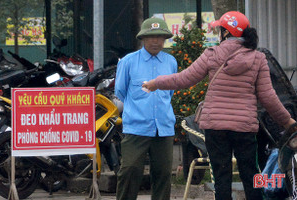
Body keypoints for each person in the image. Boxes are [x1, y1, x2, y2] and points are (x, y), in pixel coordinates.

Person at [143, 11, 296, 200]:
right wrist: (288, 122)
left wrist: (156, 82)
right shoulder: (258, 58)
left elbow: (183, 79)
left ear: (225, 33)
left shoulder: (212, 54)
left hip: (215, 127)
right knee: (251, 174)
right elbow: (269, 97)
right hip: (244, 127)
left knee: (221, 176)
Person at [114, 17, 177, 200]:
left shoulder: (171, 62)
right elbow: (121, 91)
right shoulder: (128, 61)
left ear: (165, 39)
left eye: (160, 36)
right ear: (142, 38)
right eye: (151, 37)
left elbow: (169, 93)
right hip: (136, 127)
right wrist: (139, 109)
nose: (155, 41)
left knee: (163, 173)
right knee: (130, 170)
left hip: (163, 127)